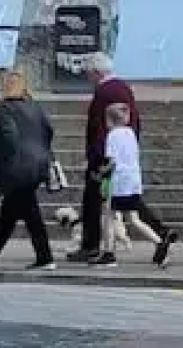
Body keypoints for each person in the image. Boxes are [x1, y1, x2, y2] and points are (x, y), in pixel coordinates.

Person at [0, 70, 57, 270]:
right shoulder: (35, 106)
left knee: (30, 214)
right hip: (37, 163)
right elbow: (49, 130)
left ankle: (45, 257)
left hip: (18, 167)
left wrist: (5, 158)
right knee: (9, 212)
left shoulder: (6, 109)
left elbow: (9, 137)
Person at [70, 53, 139, 263]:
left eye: (89, 74)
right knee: (122, 203)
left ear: (97, 72)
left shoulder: (105, 92)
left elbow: (98, 128)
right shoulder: (124, 88)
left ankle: (92, 246)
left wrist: (96, 158)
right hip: (119, 154)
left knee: (94, 201)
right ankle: (159, 234)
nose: (88, 78)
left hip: (104, 158)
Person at [92, 101, 176, 268]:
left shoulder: (113, 135)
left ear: (110, 120)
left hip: (118, 182)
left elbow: (112, 161)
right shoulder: (130, 133)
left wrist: (101, 172)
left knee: (108, 216)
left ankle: (109, 253)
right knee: (134, 218)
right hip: (133, 181)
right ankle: (159, 242)